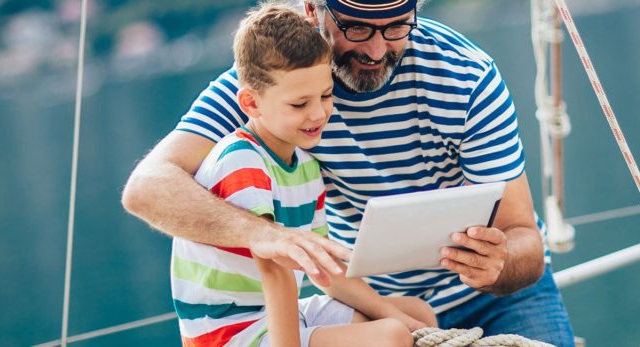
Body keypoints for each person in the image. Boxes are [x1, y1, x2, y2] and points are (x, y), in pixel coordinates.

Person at [123, 0, 575, 346]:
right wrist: (263, 235)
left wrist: (498, 263)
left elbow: (525, 241)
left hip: (499, 298)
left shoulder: (467, 77)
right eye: (357, 27)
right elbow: (146, 189)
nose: (377, 50)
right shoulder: (273, 85)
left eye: (397, 26)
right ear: (314, 10)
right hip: (364, 304)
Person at [166, 4, 436, 347]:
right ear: (251, 104)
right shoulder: (242, 163)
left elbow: (324, 270)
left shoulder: (306, 166)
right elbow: (275, 270)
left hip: (276, 313)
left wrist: (392, 312)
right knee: (391, 337)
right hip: (228, 336)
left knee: (416, 315)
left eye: (326, 96)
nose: (317, 114)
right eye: (298, 104)